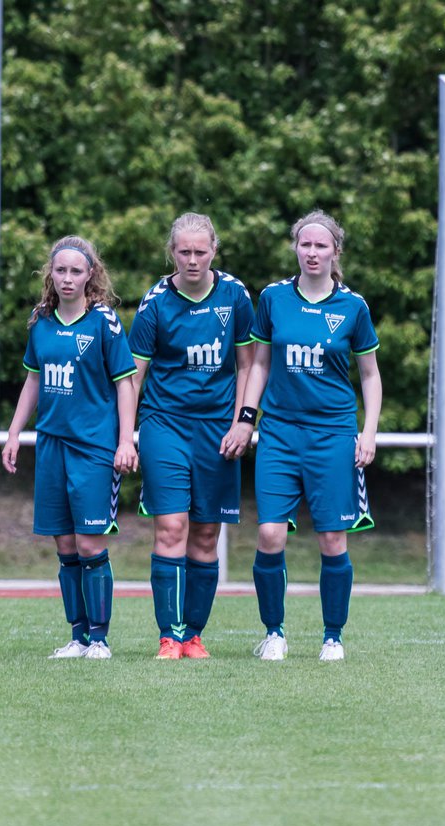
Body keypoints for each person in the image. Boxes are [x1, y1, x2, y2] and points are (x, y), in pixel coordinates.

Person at [240, 210, 382, 662]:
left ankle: (332, 637)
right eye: (305, 244)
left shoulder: (353, 307)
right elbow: (259, 363)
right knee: (269, 534)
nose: (313, 252)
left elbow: (370, 375)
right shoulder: (274, 298)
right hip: (279, 432)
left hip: (333, 434)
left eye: (322, 245)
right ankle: (274, 633)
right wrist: (247, 417)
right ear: (296, 248)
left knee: (332, 539)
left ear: (335, 252)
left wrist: (369, 431)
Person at [1, 235, 139, 660]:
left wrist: (125, 440)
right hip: (51, 447)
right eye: (60, 270)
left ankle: (100, 639)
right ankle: (78, 637)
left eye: (76, 271)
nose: (67, 278)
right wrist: (13, 433)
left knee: (89, 544)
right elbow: (33, 380)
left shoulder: (104, 322)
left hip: (95, 448)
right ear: (51, 274)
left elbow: (125, 384)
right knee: (63, 546)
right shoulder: (40, 320)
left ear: (90, 275)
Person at [129, 213, 256, 660]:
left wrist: (244, 420)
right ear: (172, 253)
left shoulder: (235, 296)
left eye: (200, 251)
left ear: (214, 252)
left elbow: (248, 365)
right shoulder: (155, 303)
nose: (192, 259)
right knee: (171, 526)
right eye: (184, 251)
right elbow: (134, 375)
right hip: (165, 424)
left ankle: (194, 635)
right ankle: (169, 634)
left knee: (205, 534)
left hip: (218, 429)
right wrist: (127, 435)